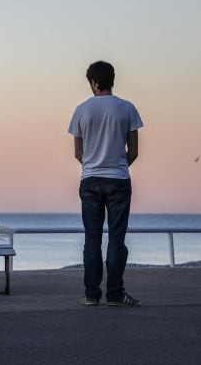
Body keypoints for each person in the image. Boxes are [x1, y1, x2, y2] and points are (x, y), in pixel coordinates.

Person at [68, 60, 144, 307]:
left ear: (93, 82)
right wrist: (117, 167)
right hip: (118, 180)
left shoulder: (81, 110)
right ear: (112, 80)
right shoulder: (127, 108)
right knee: (116, 239)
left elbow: (78, 152)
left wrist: (93, 166)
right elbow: (133, 151)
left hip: (89, 180)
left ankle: (91, 294)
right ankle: (115, 293)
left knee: (92, 239)